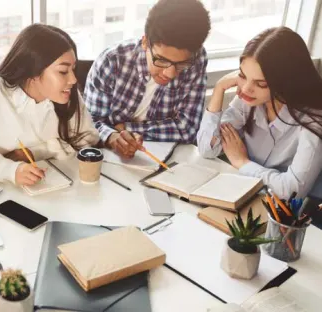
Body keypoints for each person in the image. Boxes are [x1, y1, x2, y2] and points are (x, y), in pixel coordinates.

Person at [0, 24, 99, 186]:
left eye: (73, 70)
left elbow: (89, 137)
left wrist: (36, 152)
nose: (73, 80)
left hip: (58, 187)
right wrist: (9, 170)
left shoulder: (66, 93)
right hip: (1, 191)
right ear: (34, 71)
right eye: (63, 71)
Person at [197, 27, 322, 199]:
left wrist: (243, 162)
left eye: (260, 83)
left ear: (285, 82)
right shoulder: (249, 99)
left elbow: (292, 191)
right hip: (244, 192)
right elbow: (208, 149)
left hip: (283, 213)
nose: (246, 88)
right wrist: (219, 88)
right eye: (242, 75)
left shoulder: (313, 121)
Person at [84, 0, 211, 158]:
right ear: (145, 42)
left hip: (168, 160)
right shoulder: (112, 61)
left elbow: (188, 129)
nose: (170, 74)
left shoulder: (197, 59)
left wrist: (125, 128)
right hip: (111, 160)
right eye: (162, 60)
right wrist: (112, 137)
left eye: (181, 64)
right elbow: (89, 123)